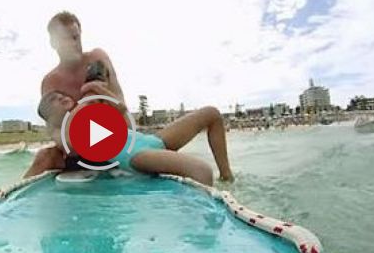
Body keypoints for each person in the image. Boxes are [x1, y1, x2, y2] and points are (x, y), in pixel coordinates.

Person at [25, 90, 234, 186]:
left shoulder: (86, 106)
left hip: (150, 140)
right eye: (53, 100)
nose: (60, 97)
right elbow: (71, 147)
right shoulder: (64, 129)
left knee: (211, 114)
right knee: (201, 171)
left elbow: (123, 118)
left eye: (61, 94)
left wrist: (108, 97)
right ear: (49, 117)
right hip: (135, 155)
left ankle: (228, 178)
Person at [24, 11, 128, 177]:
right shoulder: (50, 82)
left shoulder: (97, 57)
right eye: (66, 39)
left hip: (111, 134)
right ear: (53, 43)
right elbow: (54, 131)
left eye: (76, 37)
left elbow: (121, 105)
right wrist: (72, 144)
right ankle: (13, 198)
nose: (74, 44)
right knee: (44, 156)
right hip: (75, 148)